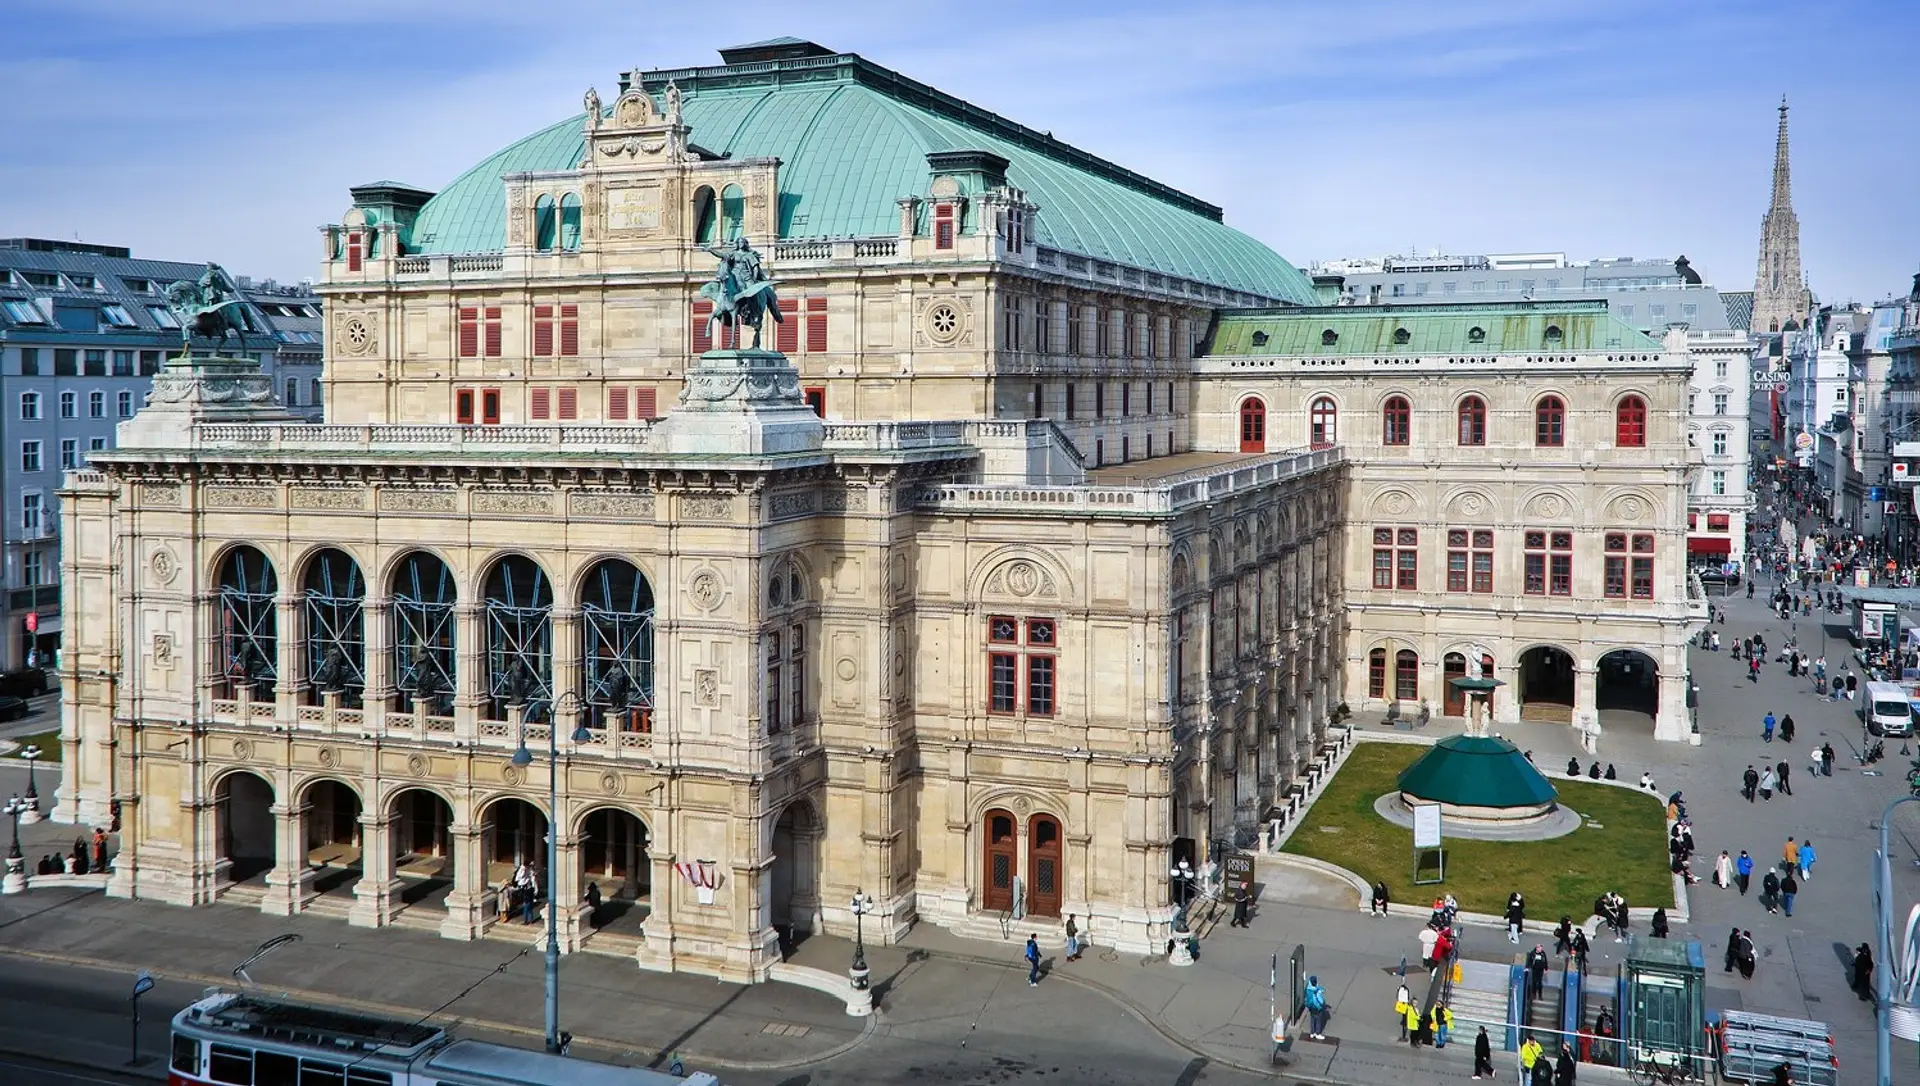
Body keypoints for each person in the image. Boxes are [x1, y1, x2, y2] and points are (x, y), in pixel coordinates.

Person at [1304, 975, 1330, 1039]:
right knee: (1318, 1020)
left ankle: (1312, 1033)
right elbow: (1316, 1001)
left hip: (1310, 1007)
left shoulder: (1308, 988)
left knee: (1312, 1019)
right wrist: (1320, 1007)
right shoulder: (1315, 990)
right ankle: (1317, 1033)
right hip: (1316, 1007)